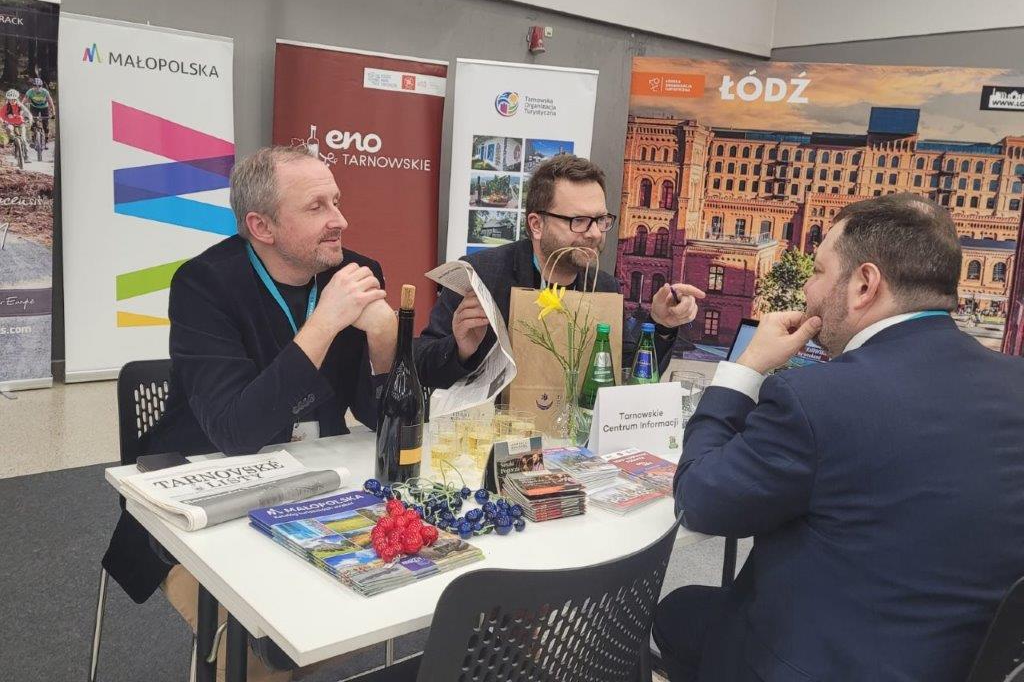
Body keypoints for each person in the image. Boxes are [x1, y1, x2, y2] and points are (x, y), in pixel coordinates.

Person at [654, 193, 1024, 682]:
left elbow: (699, 501)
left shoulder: (815, 398)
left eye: (818, 271)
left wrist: (746, 368)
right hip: (959, 660)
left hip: (810, 663)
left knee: (676, 610)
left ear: (864, 285)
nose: (808, 290)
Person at [103, 146, 398, 681]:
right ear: (262, 226)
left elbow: (382, 418)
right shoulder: (204, 284)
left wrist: (383, 341)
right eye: (316, 207)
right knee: (261, 650)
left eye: (336, 201)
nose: (339, 220)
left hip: (316, 484)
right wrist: (324, 324)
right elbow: (236, 432)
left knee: (392, 592)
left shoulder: (354, 272)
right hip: (202, 494)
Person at [416, 154, 704, 388]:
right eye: (578, 220)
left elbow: (624, 373)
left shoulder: (604, 287)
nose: (594, 233)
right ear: (536, 225)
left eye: (600, 220)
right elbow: (421, 365)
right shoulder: (482, 275)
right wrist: (461, 349)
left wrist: (661, 325)